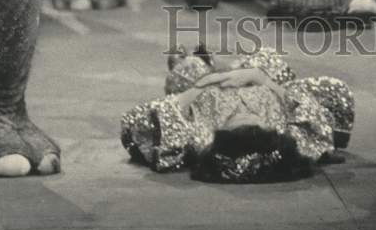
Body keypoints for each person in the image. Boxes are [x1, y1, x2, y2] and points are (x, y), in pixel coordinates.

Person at [121, 45, 354, 182]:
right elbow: (314, 105)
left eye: (235, 124)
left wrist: (201, 86)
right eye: (255, 123)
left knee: (186, 70)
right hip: (255, 78)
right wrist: (260, 78)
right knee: (270, 58)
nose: (244, 115)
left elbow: (136, 119)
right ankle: (224, 65)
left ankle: (200, 63)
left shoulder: (201, 137)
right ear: (269, 130)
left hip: (204, 86)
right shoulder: (283, 131)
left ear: (222, 137)